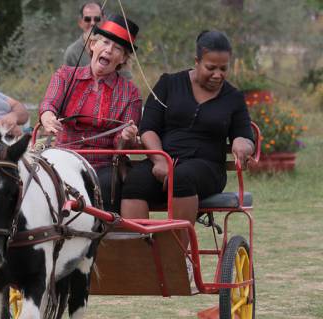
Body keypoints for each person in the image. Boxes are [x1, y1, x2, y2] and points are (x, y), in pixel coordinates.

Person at [121, 30, 256, 249]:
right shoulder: (169, 84)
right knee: (134, 182)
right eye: (211, 68)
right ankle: (140, 257)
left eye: (224, 68)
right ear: (197, 61)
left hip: (207, 168)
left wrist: (242, 142)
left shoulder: (233, 97)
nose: (218, 74)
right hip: (165, 160)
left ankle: (177, 258)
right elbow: (148, 128)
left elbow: (245, 136)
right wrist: (158, 160)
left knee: (182, 177)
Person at [40, 15, 142, 212]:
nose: (109, 50)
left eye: (118, 48)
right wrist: (48, 118)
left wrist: (126, 137)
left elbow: (120, 144)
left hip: (103, 164)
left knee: (104, 186)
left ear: (122, 58)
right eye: (105, 42)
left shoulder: (131, 93)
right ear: (93, 45)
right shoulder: (65, 75)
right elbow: (48, 104)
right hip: (63, 156)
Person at [63, 2, 105, 67]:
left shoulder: (113, 48)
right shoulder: (72, 52)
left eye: (97, 19)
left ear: (104, 20)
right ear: (80, 22)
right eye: (87, 19)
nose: (93, 23)